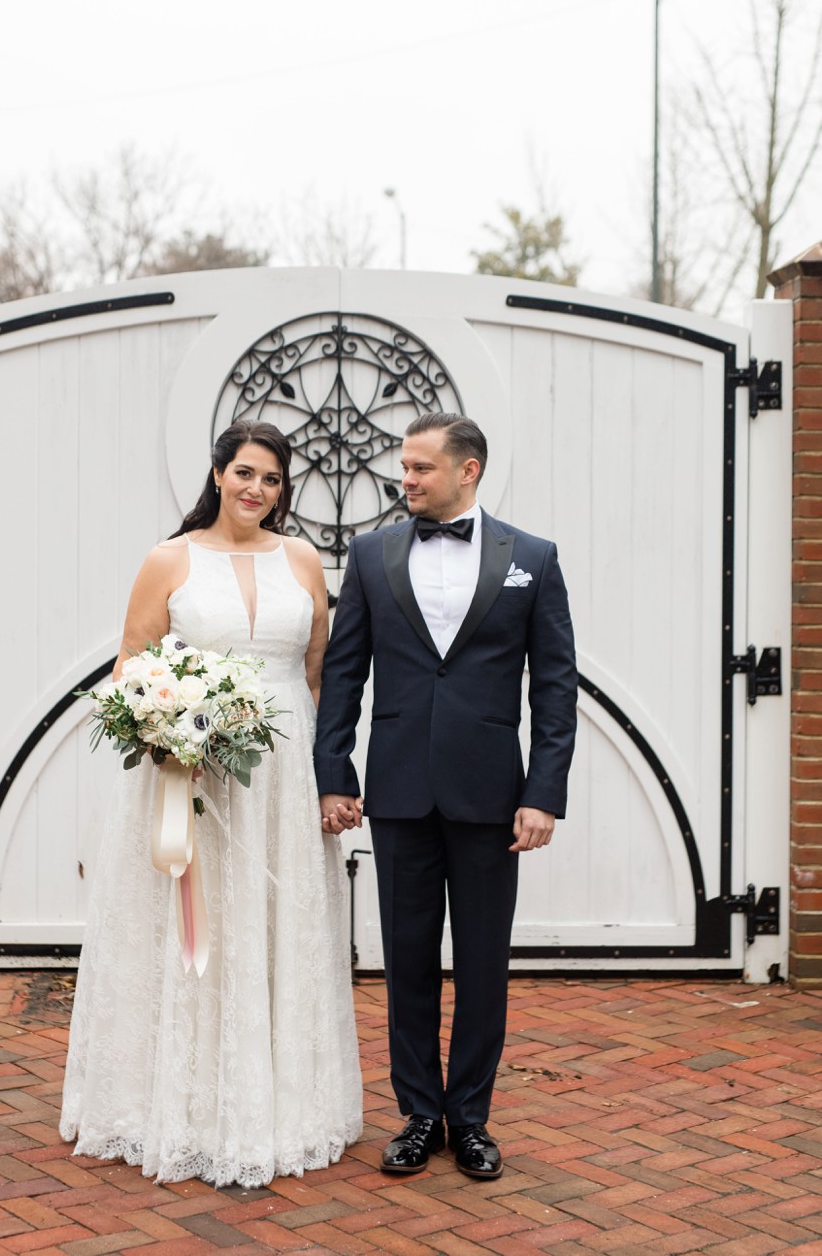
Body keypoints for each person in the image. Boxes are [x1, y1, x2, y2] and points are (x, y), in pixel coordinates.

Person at [61, 420, 363, 1188]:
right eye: (244, 473)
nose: (255, 489)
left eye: (271, 479)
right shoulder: (171, 558)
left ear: (283, 490)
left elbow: (321, 670)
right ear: (218, 473)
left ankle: (283, 1104)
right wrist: (165, 732)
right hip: (194, 770)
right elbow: (134, 660)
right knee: (200, 929)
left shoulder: (303, 560)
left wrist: (331, 771)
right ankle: (186, 1107)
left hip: (285, 770)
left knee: (275, 924)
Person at [314, 413, 577, 1180]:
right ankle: (418, 1112)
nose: (408, 480)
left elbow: (555, 686)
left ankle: (471, 1119)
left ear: (469, 471)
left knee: (485, 962)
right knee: (406, 961)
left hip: (492, 795)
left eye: (422, 468)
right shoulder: (370, 554)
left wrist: (544, 793)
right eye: (406, 466)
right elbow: (344, 674)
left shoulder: (532, 558)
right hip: (397, 790)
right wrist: (336, 772)